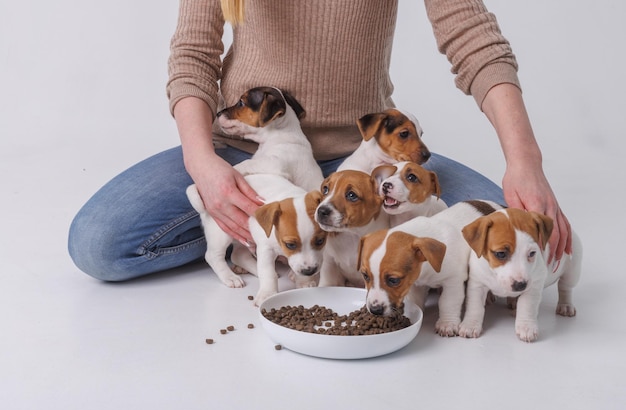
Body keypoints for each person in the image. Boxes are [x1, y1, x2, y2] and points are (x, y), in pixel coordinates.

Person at [68, 0, 571, 282]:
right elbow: (192, 53)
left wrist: (525, 160)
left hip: (366, 166)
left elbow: (471, 35)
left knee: (523, 247)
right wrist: (202, 164)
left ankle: (293, 238)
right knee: (97, 246)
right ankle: (278, 232)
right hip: (247, 157)